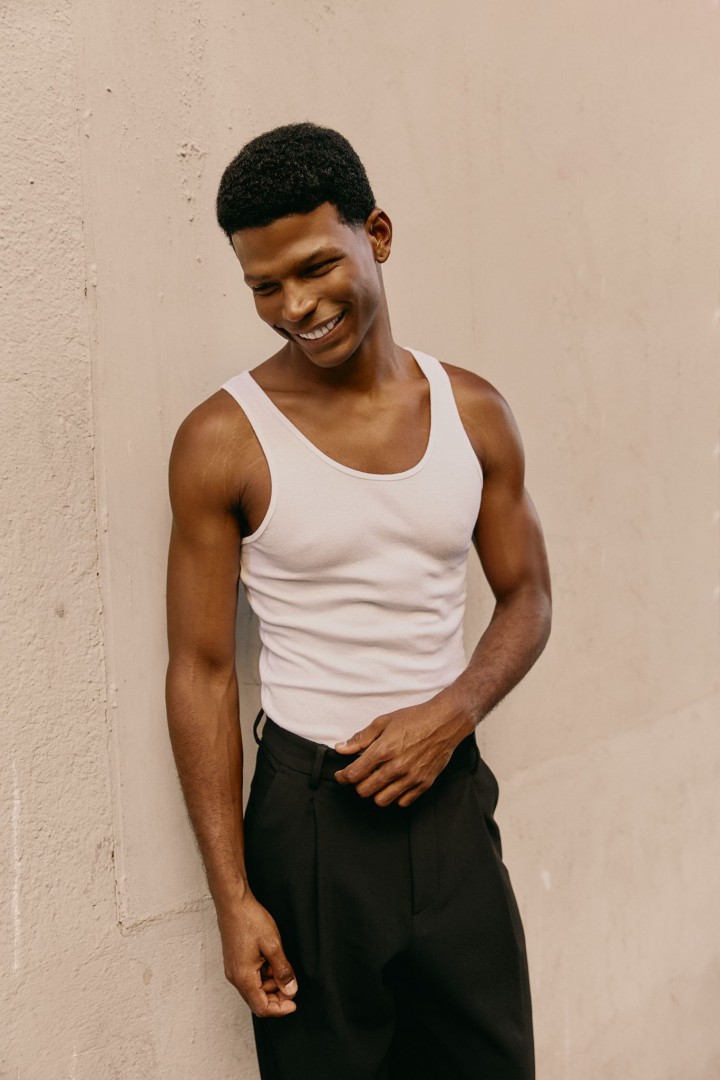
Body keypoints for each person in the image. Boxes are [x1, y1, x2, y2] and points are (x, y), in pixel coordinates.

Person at [165, 122, 551, 1080]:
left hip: (451, 803)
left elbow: (528, 596)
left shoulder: (472, 412)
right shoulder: (223, 439)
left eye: (315, 266)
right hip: (311, 825)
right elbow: (202, 670)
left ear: (375, 234)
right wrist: (232, 897)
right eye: (265, 286)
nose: (296, 306)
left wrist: (453, 712)